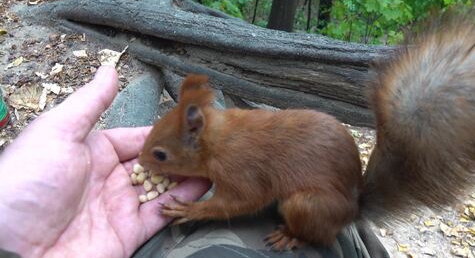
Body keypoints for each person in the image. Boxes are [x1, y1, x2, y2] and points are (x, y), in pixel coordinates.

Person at [0, 65, 387, 258]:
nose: (149, 166)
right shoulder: (224, 129)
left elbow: (247, 200)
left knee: (297, 208)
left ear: (195, 137)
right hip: (323, 164)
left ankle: (305, 235)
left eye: (162, 158)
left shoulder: (230, 158)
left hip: (325, 204)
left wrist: (197, 211)